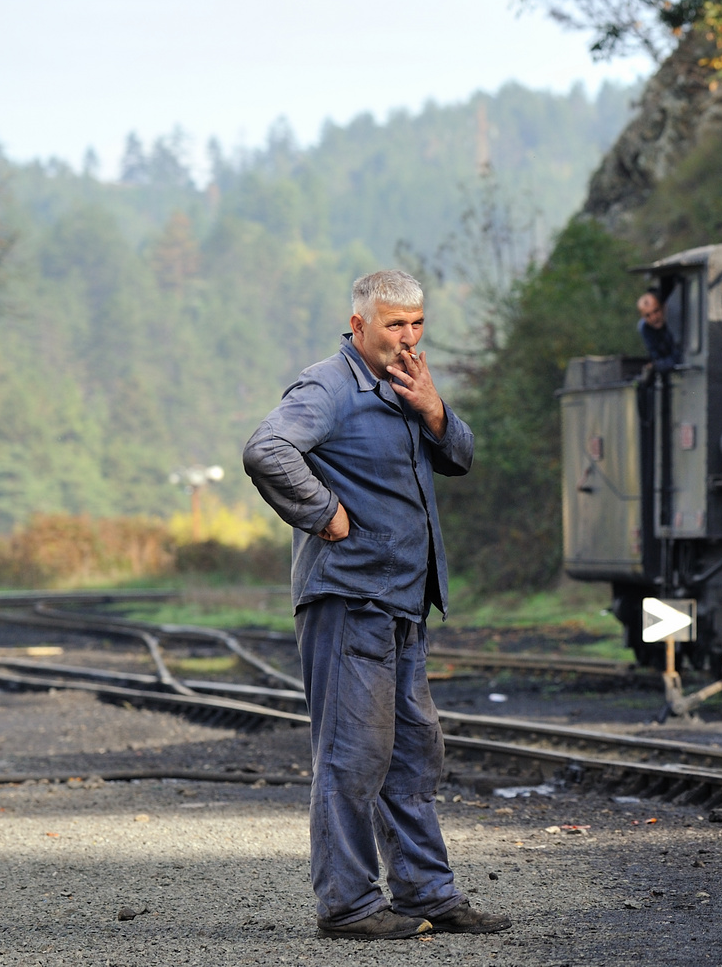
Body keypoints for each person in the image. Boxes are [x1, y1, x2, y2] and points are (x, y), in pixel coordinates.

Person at [242, 270, 511, 941]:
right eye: (394, 325)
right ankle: (348, 906)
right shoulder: (329, 387)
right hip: (348, 599)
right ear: (358, 324)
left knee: (414, 754)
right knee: (352, 757)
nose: (408, 337)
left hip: (402, 600)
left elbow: (462, 455)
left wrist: (435, 410)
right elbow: (266, 449)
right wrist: (325, 514)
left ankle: (428, 893)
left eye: (417, 323)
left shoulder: (408, 384)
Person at [637, 290, 678, 374]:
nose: (654, 318)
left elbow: (679, 356)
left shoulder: (674, 322)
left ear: (663, 307)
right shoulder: (645, 329)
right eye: (648, 315)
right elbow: (655, 355)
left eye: (656, 311)